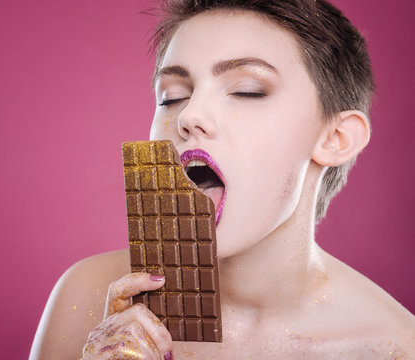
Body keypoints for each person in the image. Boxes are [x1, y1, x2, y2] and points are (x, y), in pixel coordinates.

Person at [29, 0, 415, 359]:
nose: (189, 114)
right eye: (172, 97)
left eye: (247, 91)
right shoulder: (87, 297)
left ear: (334, 139)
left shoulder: (394, 346)